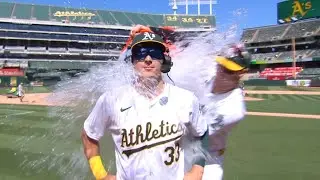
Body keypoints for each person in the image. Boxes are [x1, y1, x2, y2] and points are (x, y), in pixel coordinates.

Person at [81, 27, 207, 180]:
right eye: (141, 54)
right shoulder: (111, 99)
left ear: (165, 60)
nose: (148, 59)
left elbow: (201, 133)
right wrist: (101, 175)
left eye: (154, 53)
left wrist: (197, 168)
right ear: (131, 61)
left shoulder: (186, 99)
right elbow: (89, 135)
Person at [200, 44, 251, 180]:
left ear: (242, 73)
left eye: (228, 70)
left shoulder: (234, 109)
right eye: (220, 65)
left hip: (206, 163)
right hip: (176, 155)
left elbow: (196, 131)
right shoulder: (209, 73)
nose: (221, 71)